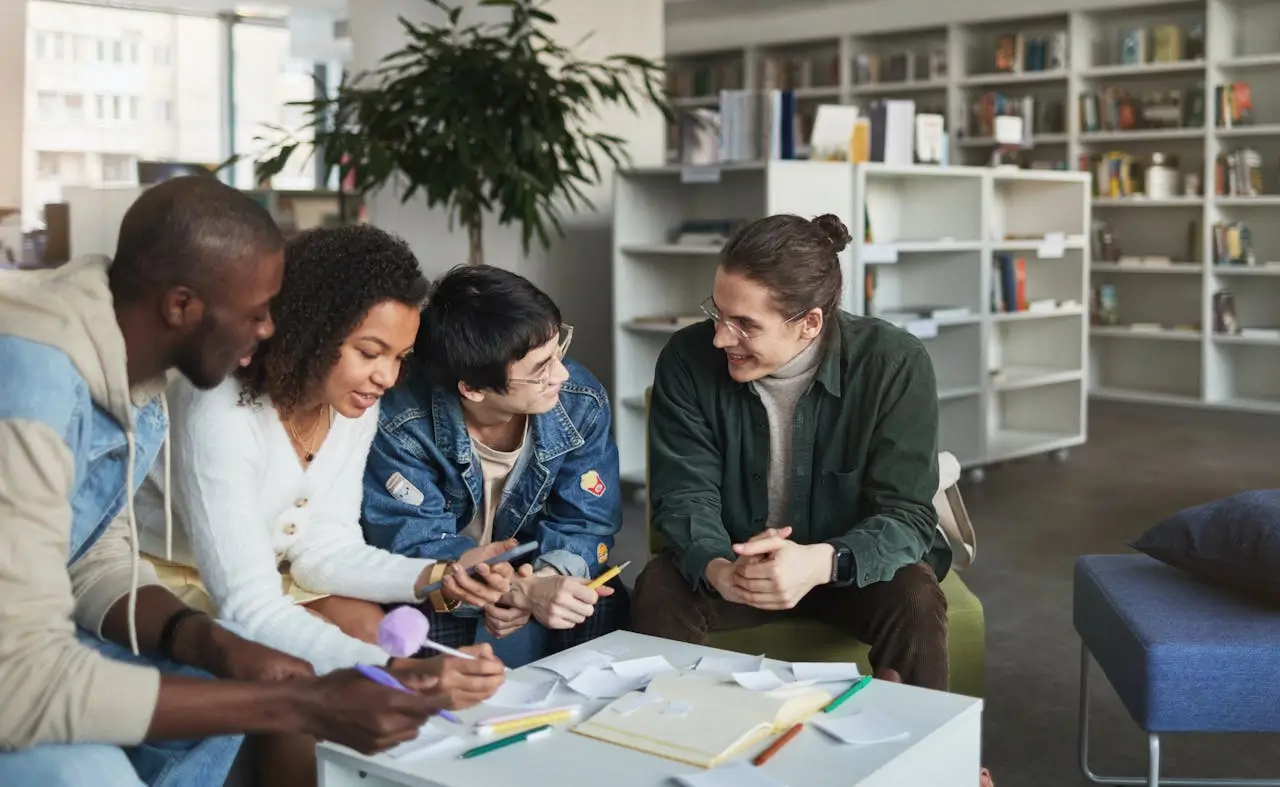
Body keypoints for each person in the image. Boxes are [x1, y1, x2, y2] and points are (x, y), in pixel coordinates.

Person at [0, 177, 502, 787]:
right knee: (97, 771)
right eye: (257, 312)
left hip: (71, 635)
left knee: (244, 662)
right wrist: (303, 700)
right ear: (181, 306)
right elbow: (22, 684)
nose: (271, 330)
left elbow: (92, 553)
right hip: (26, 671)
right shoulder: (37, 387)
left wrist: (204, 642)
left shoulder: (137, 376)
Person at [131, 224, 511, 787]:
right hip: (162, 587)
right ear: (310, 328)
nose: (387, 376)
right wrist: (395, 670)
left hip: (262, 580)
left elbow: (321, 545)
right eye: (369, 351)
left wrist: (438, 575)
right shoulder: (217, 403)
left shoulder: (348, 402)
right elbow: (246, 606)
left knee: (362, 622)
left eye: (400, 357)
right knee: (306, 671)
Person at [631, 212, 951, 687]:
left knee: (915, 596)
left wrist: (822, 561)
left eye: (744, 324)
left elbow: (906, 514)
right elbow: (683, 494)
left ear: (809, 323)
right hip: (736, 566)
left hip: (847, 567)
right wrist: (721, 569)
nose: (721, 336)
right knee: (659, 586)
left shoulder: (894, 364)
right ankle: (662, 737)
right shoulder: (686, 359)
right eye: (717, 312)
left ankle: (929, 755)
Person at [361, 264, 628, 657]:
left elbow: (586, 521)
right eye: (540, 369)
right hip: (447, 569)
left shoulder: (578, 400)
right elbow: (411, 544)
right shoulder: (401, 420)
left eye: (558, 351)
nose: (560, 375)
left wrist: (544, 580)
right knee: (433, 608)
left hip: (531, 564)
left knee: (597, 597)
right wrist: (510, 591)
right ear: (472, 388)